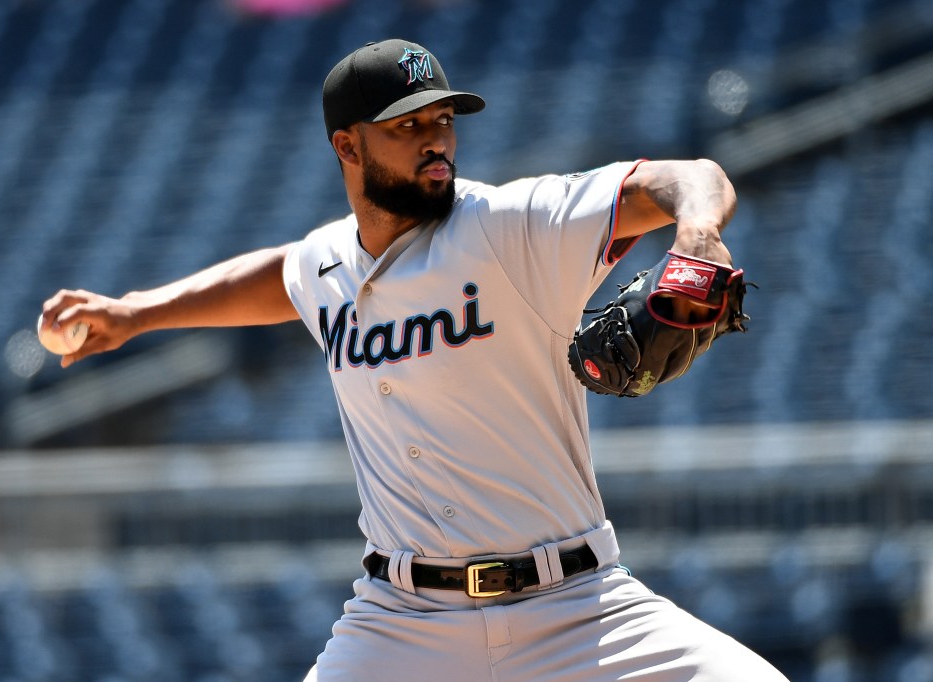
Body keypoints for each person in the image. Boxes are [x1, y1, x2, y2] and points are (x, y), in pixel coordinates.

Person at [41, 39, 788, 681]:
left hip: (577, 609)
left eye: (443, 119)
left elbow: (693, 175)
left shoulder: (510, 224)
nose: (437, 139)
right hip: (401, 624)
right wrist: (136, 314)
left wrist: (697, 233)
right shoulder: (327, 263)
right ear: (348, 145)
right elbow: (281, 275)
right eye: (409, 125)